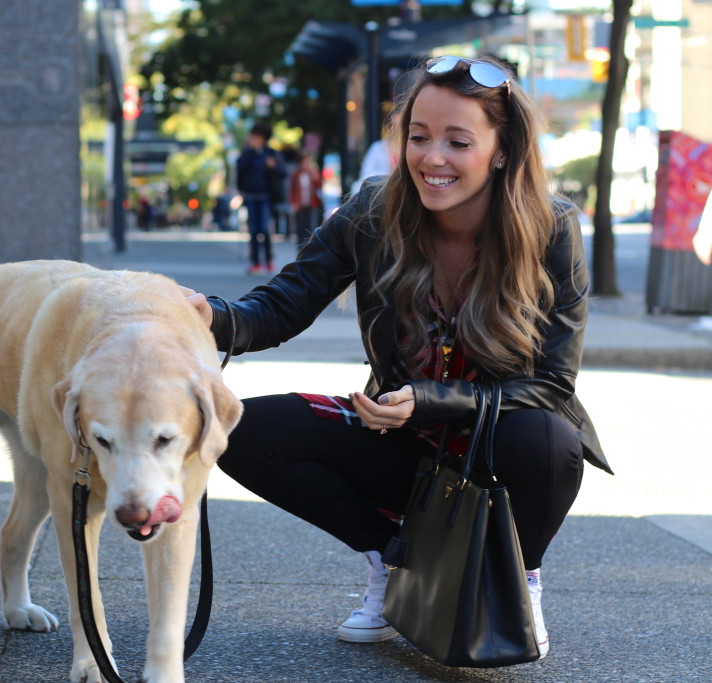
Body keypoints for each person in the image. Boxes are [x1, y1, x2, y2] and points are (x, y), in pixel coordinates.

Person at [184, 55, 612, 661]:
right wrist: (210, 315)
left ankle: (520, 581)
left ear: (500, 149)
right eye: (418, 136)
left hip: (497, 443)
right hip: (400, 440)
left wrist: (433, 400)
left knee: (547, 441)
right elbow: (279, 309)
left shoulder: (551, 226)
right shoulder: (371, 213)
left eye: (457, 141)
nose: (431, 158)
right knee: (242, 430)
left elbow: (551, 382)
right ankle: (395, 560)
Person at [237, 121, 285, 274]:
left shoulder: (271, 153)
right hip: (251, 195)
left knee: (264, 228)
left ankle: (269, 260)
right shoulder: (247, 154)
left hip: (265, 195)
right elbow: (240, 169)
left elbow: (282, 172)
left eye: (256, 136)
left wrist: (273, 166)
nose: (253, 139)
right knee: (253, 229)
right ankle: (255, 261)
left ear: (263, 137)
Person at [289, 152, 323, 246]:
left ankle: (311, 247)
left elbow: (319, 188)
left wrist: (315, 178)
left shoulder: (313, 173)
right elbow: (292, 190)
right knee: (300, 228)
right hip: (300, 205)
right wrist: (294, 202)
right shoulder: (296, 174)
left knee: (311, 228)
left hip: (312, 204)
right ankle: (301, 248)